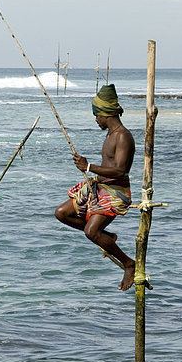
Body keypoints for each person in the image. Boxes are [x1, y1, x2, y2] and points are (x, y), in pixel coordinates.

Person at [55, 84, 136, 291]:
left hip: (115, 191)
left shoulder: (123, 136)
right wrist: (90, 171)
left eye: (96, 116)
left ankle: (129, 264)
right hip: (99, 186)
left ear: (105, 114)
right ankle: (106, 237)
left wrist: (88, 166)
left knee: (91, 232)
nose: (96, 120)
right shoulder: (110, 134)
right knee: (62, 213)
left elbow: (119, 171)